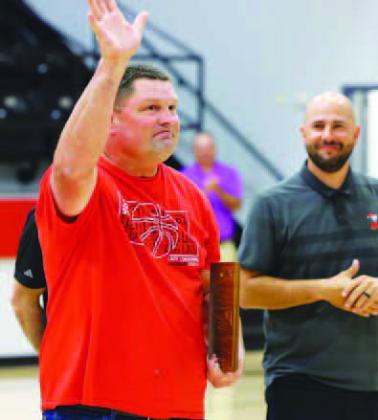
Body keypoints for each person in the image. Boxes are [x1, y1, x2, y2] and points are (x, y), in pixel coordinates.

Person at [35, 1, 242, 419]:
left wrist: (228, 343)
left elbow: (211, 283)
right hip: (92, 402)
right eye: (151, 109)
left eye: (172, 108)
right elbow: (72, 168)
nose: (168, 119)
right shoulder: (88, 185)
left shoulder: (192, 195)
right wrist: (112, 66)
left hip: (177, 399)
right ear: (110, 121)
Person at [238, 91, 378, 420]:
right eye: (318, 126)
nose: (327, 136)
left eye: (338, 126)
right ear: (303, 133)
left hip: (367, 385)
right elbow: (245, 290)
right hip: (296, 381)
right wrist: (323, 290)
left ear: (355, 133)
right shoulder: (273, 204)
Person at [182, 132, 243, 262]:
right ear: (194, 151)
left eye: (208, 148)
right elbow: (181, 210)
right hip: (194, 246)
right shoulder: (184, 176)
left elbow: (237, 205)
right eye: (201, 149)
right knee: (196, 283)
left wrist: (218, 190)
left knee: (225, 283)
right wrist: (204, 193)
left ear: (214, 149)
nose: (205, 153)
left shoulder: (228, 173)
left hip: (224, 245)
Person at [11, 208, 47, 352]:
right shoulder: (43, 217)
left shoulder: (120, 211)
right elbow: (23, 301)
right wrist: (50, 360)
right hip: (74, 359)